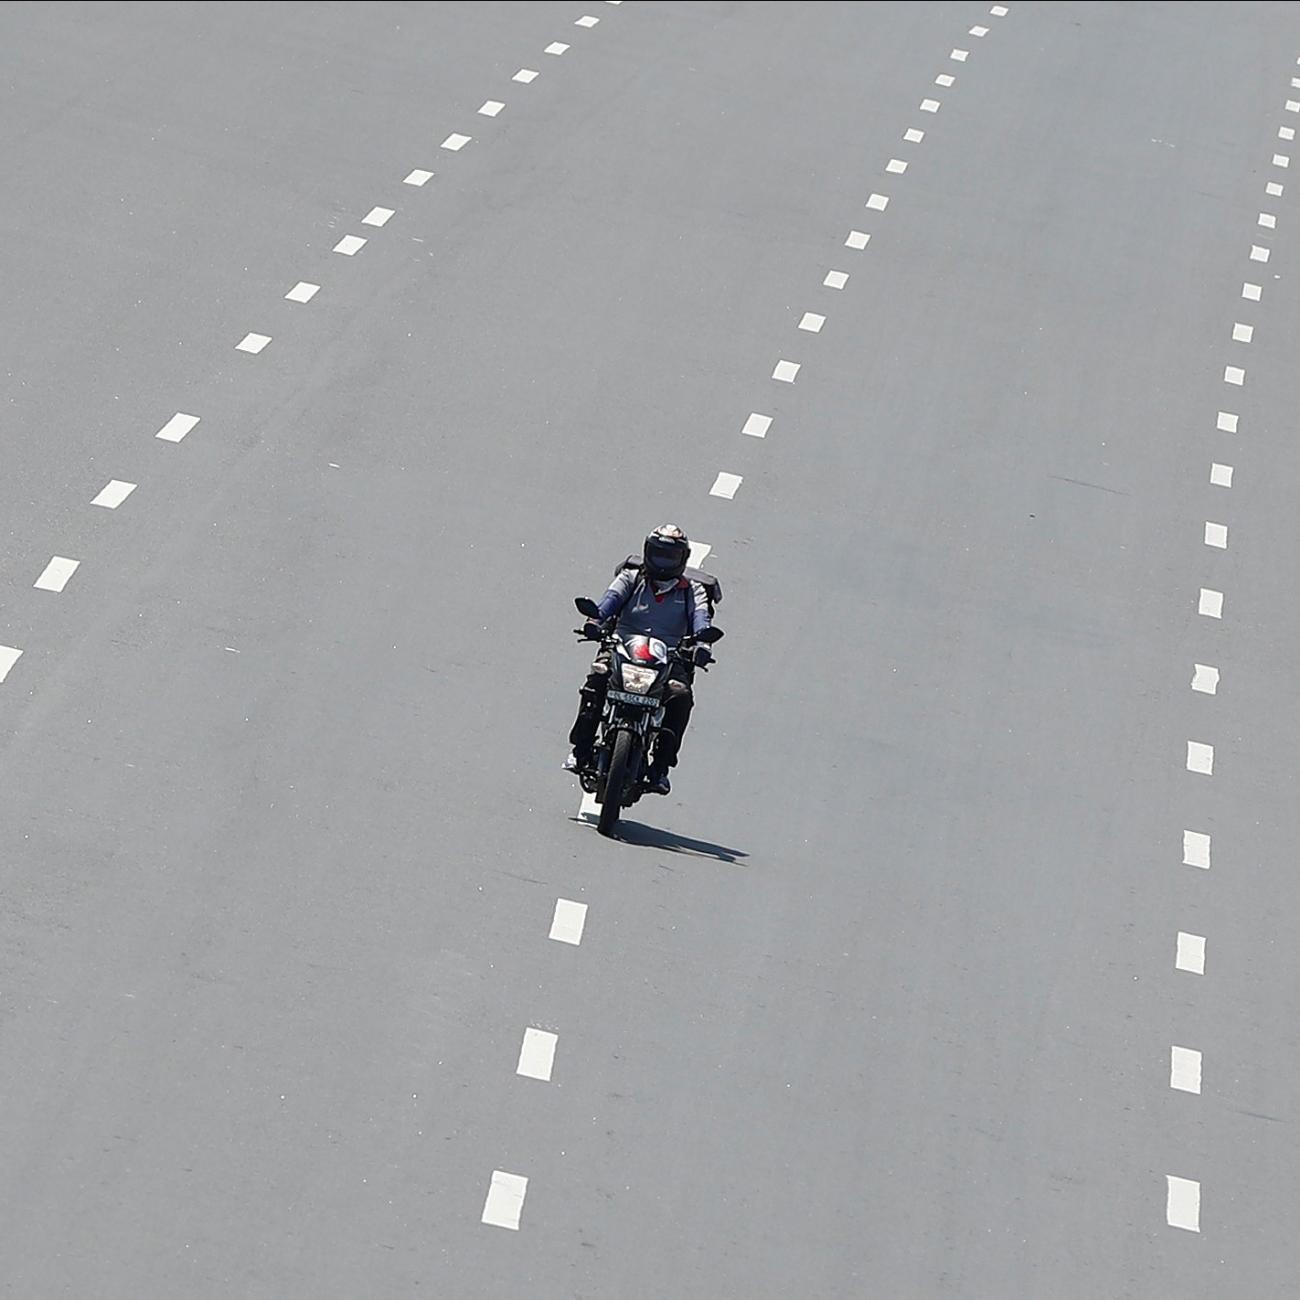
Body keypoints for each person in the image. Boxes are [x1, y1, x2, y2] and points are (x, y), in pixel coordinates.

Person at [565, 524, 714, 796]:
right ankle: (581, 750)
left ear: (682, 559)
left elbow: (701, 619)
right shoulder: (630, 578)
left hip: (669, 658)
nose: (663, 562)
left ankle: (660, 768)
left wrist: (702, 644)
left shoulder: (693, 591)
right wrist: (594, 622)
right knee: (597, 679)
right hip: (621, 648)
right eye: (659, 554)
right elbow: (608, 601)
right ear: (648, 552)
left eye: (670, 557)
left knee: (680, 698)